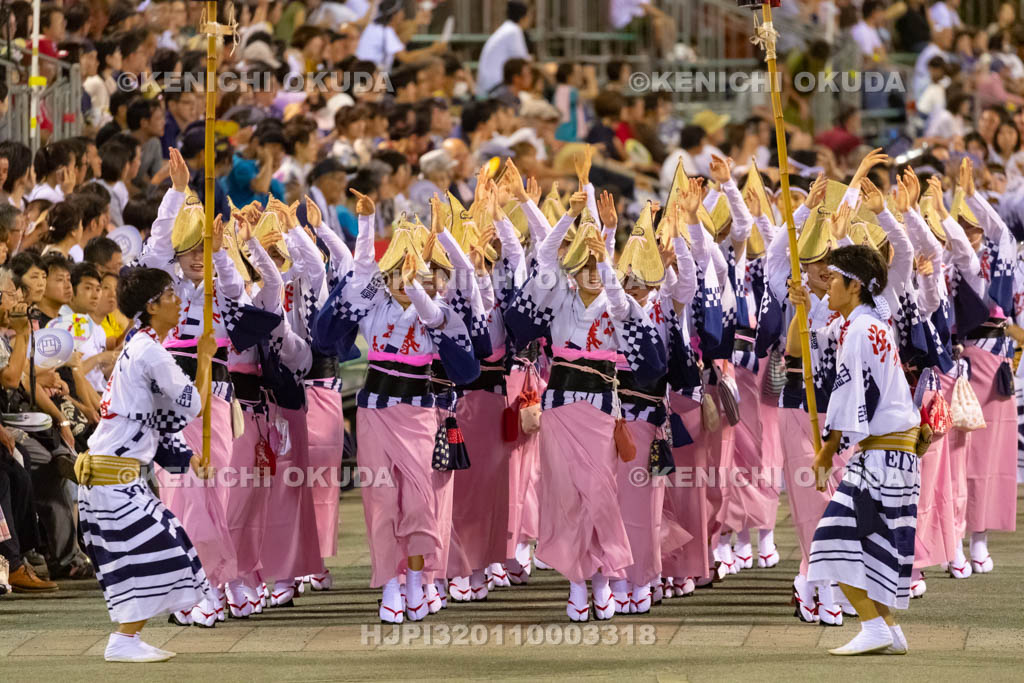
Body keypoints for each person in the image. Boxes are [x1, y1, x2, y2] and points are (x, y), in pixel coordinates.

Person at [78, 266, 217, 663]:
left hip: (119, 477)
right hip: (110, 478)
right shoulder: (149, 350)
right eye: (170, 295)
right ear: (152, 305)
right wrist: (205, 359)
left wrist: (186, 456)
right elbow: (191, 404)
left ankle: (127, 638)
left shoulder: (140, 346)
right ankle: (123, 639)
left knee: (161, 550)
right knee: (162, 551)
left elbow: (152, 418)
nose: (178, 301)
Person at [787, 244, 921, 656]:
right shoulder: (865, 324)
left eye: (833, 278)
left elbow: (850, 394)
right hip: (892, 452)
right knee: (873, 538)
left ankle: (873, 624)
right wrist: (801, 307)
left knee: (830, 538)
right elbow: (801, 348)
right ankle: (888, 627)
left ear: (855, 285)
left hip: (883, 454)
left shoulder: (862, 329)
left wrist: (828, 451)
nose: (827, 285)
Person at [477, 1, 533, 97]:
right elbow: (522, 61)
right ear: (523, 17)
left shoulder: (507, 28)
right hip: (495, 86)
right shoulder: (514, 31)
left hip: (488, 85)